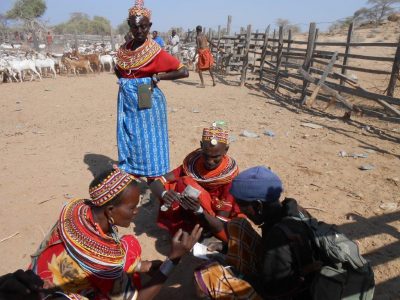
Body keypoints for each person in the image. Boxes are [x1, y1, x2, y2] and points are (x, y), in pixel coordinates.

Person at [29, 167, 202, 299]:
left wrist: (141, 265)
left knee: (127, 245)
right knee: (127, 249)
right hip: (60, 294)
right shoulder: (103, 261)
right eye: (132, 208)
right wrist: (173, 259)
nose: (136, 212)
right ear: (110, 210)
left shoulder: (75, 212)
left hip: (37, 279)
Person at [194, 166, 316, 299]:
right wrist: (225, 247)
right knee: (237, 225)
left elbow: (273, 290)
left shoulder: (278, 236)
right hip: (283, 273)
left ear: (258, 206)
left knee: (208, 275)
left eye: (242, 205)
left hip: (286, 293)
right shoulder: (290, 209)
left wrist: (235, 274)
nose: (240, 209)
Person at [115, 0, 189, 178]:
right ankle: (132, 172)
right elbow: (119, 70)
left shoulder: (155, 51)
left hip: (147, 99)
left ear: (150, 26)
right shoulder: (124, 49)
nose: (139, 31)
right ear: (129, 26)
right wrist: (127, 85)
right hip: (127, 100)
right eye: (135, 27)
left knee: (149, 141)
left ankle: (154, 178)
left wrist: (158, 77)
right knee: (129, 135)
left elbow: (184, 71)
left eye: (143, 27)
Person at [150, 124, 241, 242]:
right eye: (206, 155)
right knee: (180, 183)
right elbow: (156, 183)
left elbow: (220, 222)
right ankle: (189, 224)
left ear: (226, 150)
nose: (210, 161)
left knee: (187, 183)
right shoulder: (192, 165)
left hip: (213, 216)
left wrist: (199, 210)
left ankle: (202, 228)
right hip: (195, 209)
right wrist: (164, 195)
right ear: (201, 146)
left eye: (216, 157)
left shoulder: (229, 178)